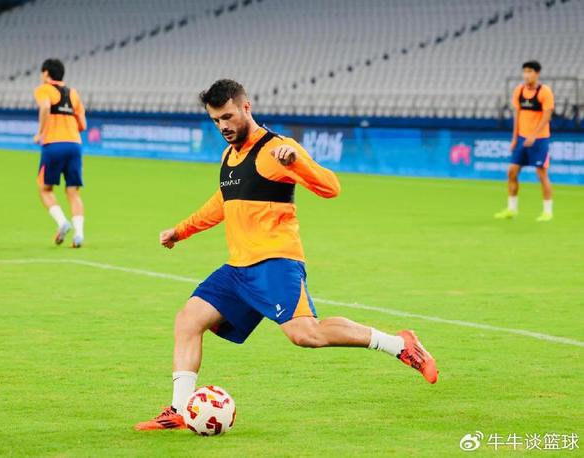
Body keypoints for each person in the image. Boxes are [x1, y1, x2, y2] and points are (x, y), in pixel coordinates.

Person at [135, 79, 439, 431]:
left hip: (275, 263)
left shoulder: (278, 148)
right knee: (188, 320)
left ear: (246, 107)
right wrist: (181, 230)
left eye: (228, 117)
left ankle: (399, 344)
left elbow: (331, 187)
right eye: (216, 120)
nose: (223, 126)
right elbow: (223, 203)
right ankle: (179, 410)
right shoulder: (229, 155)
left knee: (306, 335)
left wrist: (297, 163)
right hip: (238, 269)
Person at [33, 58, 87, 246]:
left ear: (46, 73)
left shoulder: (44, 90)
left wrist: (40, 132)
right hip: (74, 145)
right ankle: (79, 234)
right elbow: (83, 124)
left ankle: (62, 222)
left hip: (53, 144)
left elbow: (46, 106)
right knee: (73, 192)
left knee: (45, 189)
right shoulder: (73, 93)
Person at [495, 60, 555, 222]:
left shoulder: (544, 92)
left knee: (541, 174)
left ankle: (547, 211)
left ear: (537, 73)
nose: (526, 75)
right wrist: (514, 138)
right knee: (512, 172)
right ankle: (511, 209)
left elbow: (547, 116)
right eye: (524, 71)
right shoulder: (519, 90)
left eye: (530, 71)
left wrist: (534, 135)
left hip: (539, 139)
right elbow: (517, 116)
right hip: (522, 139)